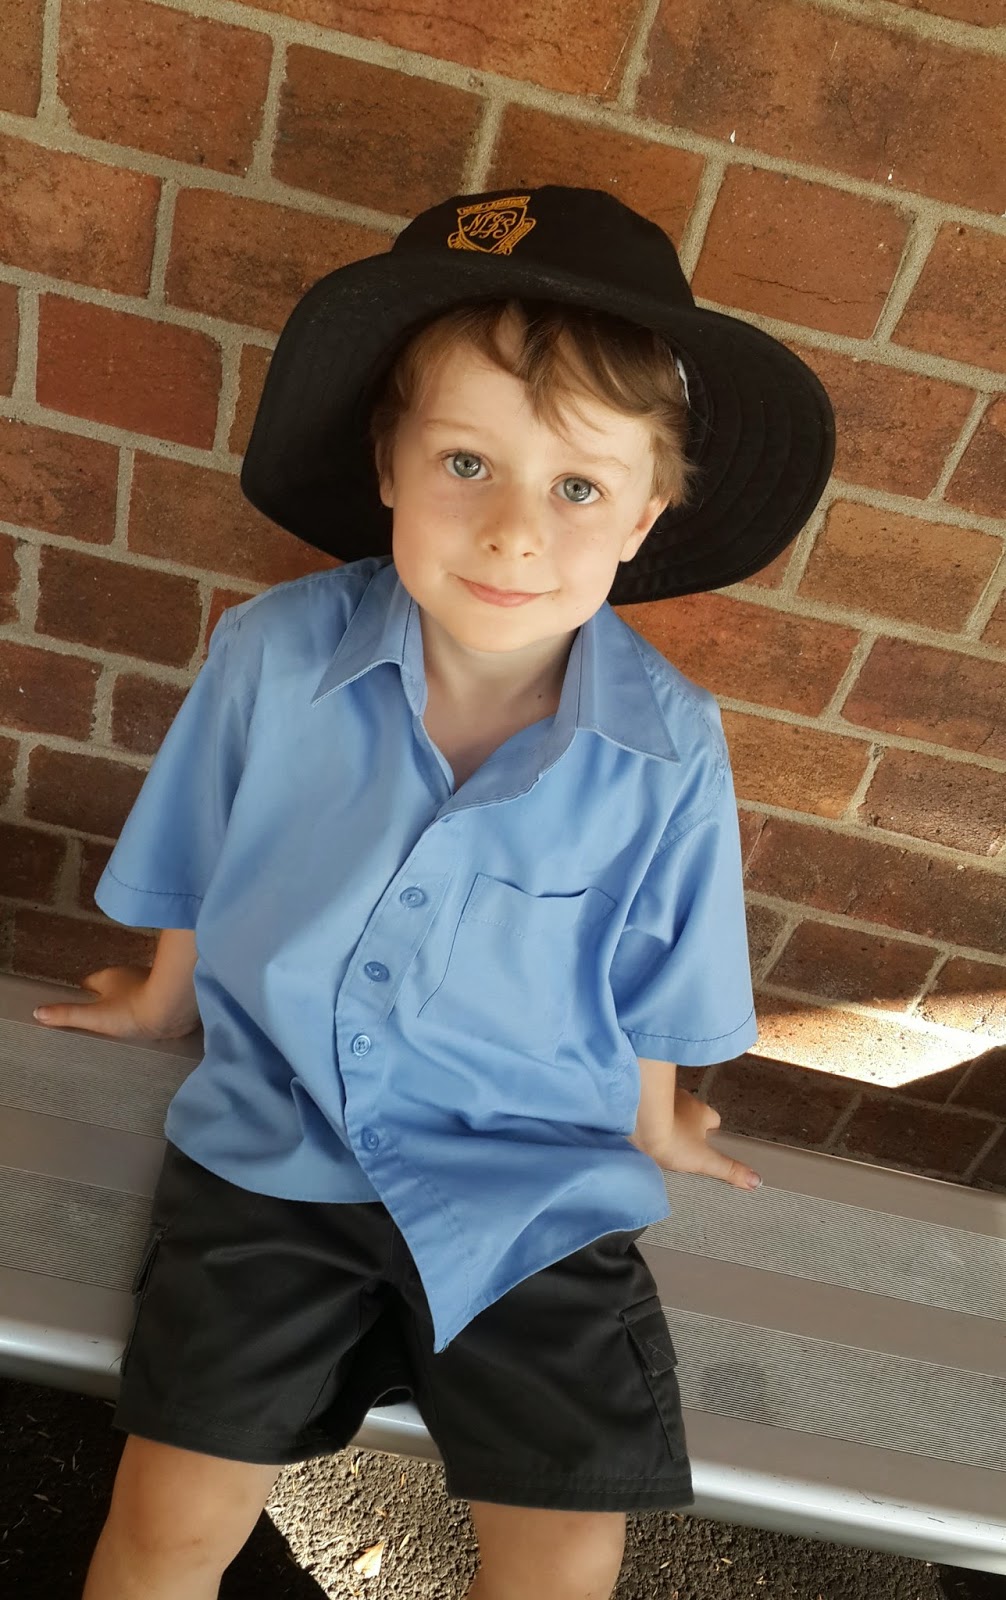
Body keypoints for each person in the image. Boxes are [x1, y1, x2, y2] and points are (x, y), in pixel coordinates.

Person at [34, 186, 834, 1600]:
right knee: (167, 1510)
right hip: (276, 1147)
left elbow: (660, 954)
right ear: (389, 467)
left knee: (565, 1550)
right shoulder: (275, 654)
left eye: (577, 488)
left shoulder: (668, 745)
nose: (515, 532)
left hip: (529, 1178)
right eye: (468, 462)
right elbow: (201, 846)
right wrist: (162, 1002)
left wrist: (657, 1118)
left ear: (643, 518)